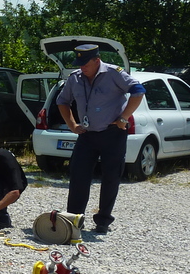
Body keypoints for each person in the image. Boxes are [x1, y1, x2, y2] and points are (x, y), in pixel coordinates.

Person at [56, 44, 145, 233]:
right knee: (78, 176)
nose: (82, 67)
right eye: (79, 64)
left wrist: (124, 118)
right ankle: (74, 219)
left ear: (97, 60)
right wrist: (72, 125)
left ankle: (103, 221)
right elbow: (62, 101)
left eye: (85, 63)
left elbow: (138, 91)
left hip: (112, 134)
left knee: (111, 177)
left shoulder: (114, 73)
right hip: (87, 135)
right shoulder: (75, 78)